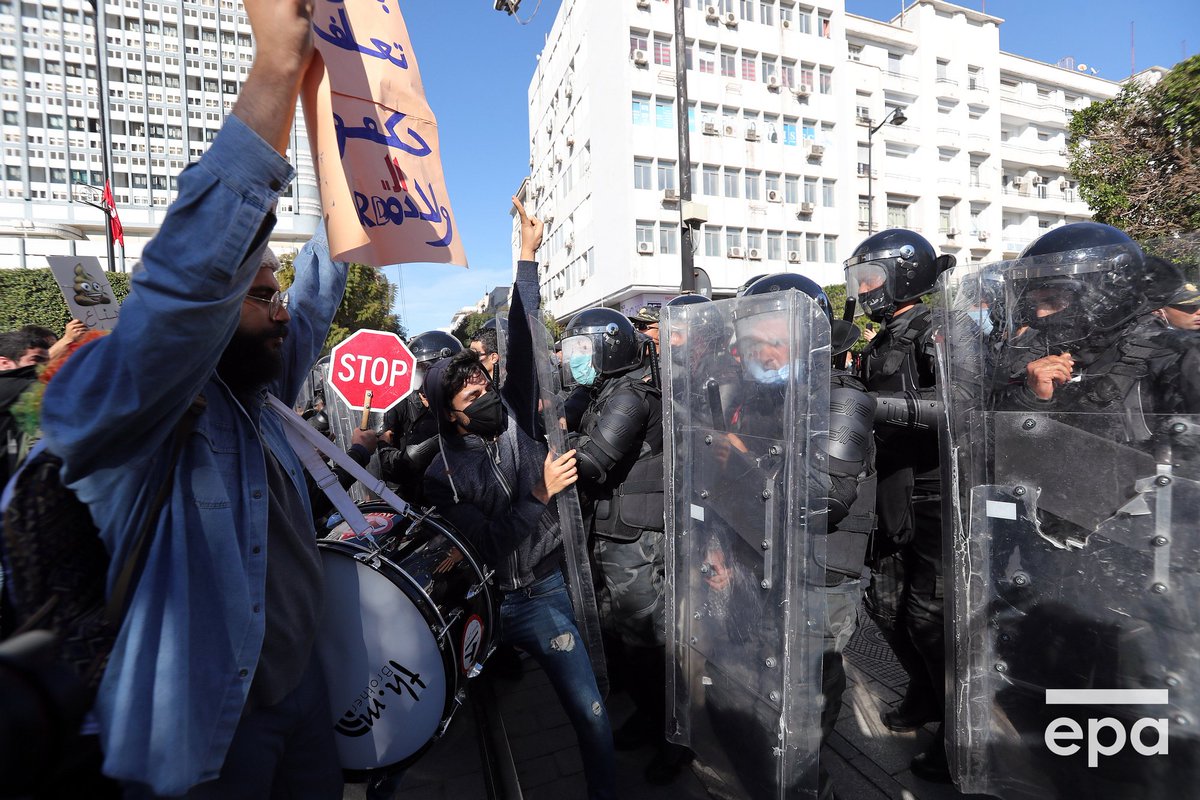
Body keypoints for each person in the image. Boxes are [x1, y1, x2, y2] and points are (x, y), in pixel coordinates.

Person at [38, 3, 347, 795]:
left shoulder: (257, 388)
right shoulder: (131, 406)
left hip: (300, 699)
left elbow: (319, 285)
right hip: (209, 732)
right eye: (260, 296)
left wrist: (330, 109)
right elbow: (185, 294)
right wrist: (276, 67)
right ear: (212, 316)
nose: (282, 312)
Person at [940, 222, 1200, 798]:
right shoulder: (1040, 360)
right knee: (1054, 725)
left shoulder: (1176, 359)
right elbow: (987, 455)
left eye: (1053, 297)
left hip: (1148, 581)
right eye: (1035, 299)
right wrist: (1029, 401)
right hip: (1052, 569)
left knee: (1142, 740)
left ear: (1101, 294)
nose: (1040, 312)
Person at [422, 197, 615, 800]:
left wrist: (527, 255)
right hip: (484, 601)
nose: (481, 394)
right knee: (473, 721)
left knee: (589, 713)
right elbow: (483, 544)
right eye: (466, 393)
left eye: (482, 382)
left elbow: (524, 337)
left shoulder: (511, 418)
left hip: (544, 593)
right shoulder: (441, 474)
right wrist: (538, 494)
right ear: (447, 416)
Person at [732, 274, 876, 800]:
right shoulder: (762, 400)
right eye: (754, 343)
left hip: (821, 573)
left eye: (779, 341)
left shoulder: (844, 402)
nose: (766, 354)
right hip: (770, 562)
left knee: (807, 692)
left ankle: (807, 785)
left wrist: (740, 456)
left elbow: (826, 500)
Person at [844, 228, 955, 782]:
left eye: (872, 278)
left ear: (905, 275)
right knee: (885, 607)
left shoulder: (938, 328)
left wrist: (875, 407)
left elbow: (959, 405)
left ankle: (958, 736)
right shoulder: (880, 337)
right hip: (890, 490)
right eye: (858, 280)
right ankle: (924, 695)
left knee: (928, 619)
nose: (863, 290)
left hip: (935, 495)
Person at [560, 307, 678, 782]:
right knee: (619, 631)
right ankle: (651, 715)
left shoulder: (629, 397)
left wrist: (559, 446)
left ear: (608, 350)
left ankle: (675, 734)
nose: (573, 360)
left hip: (636, 537)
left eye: (581, 350)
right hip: (611, 531)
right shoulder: (598, 392)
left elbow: (590, 462)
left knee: (649, 636)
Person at [377, 330, 461, 505]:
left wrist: (383, 446)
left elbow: (402, 467)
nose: (422, 391)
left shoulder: (437, 420)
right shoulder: (403, 402)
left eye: (424, 372)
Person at [0, 330, 52, 488]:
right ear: (4, 363)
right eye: (36, 360)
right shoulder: (12, 386)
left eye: (46, 362)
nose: (43, 369)